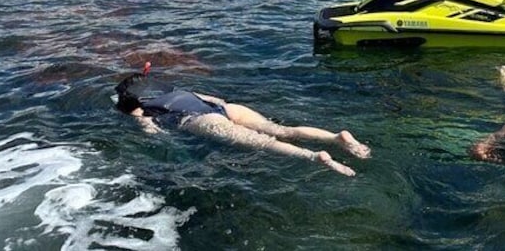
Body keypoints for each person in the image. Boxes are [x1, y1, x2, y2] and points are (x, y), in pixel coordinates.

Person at [115, 64, 371, 177]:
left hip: (197, 120)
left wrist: (160, 136)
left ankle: (315, 157)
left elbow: (148, 128)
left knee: (263, 143)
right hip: (222, 107)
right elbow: (216, 99)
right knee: (280, 129)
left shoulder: (139, 106)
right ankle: (335, 137)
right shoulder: (176, 90)